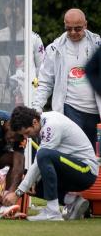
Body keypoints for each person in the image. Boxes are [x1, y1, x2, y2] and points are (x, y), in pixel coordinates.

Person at [4, 106, 98, 221]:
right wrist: (30, 183)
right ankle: (73, 201)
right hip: (71, 169)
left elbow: (40, 159)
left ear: (34, 122)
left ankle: (52, 212)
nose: (26, 137)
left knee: (44, 155)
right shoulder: (42, 123)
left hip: (86, 171)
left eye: (27, 132)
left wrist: (17, 193)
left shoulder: (51, 125)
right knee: (34, 186)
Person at [32, 8, 101, 150]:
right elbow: (45, 82)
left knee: (95, 153)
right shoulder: (54, 48)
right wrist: (36, 107)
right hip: (71, 108)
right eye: (69, 29)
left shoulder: (98, 44)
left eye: (78, 29)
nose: (73, 33)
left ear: (86, 25)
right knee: (74, 150)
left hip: (96, 110)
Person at [0, 0, 45, 111]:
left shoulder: (33, 39)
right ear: (4, 16)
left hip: (26, 96)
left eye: (16, 17)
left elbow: (42, 69)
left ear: (22, 15)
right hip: (2, 97)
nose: (12, 21)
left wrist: (35, 88)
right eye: (9, 17)